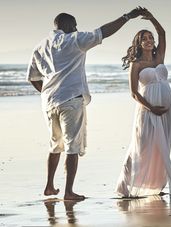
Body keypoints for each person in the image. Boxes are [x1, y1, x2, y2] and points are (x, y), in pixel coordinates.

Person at [26, 7, 147, 201]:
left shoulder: (40, 46)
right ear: (66, 25)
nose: (76, 28)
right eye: (74, 25)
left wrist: (49, 92)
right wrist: (127, 17)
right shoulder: (74, 40)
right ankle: (68, 192)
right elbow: (103, 32)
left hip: (49, 102)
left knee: (55, 145)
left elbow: (32, 77)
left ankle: (49, 186)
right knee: (72, 146)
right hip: (71, 99)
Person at [115, 8, 171, 197]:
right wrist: (151, 108)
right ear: (139, 44)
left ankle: (158, 185)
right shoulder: (136, 64)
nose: (149, 40)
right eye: (144, 38)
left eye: (150, 38)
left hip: (166, 110)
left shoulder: (159, 58)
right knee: (141, 146)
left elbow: (162, 33)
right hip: (147, 111)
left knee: (162, 145)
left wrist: (153, 18)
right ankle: (124, 185)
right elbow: (133, 93)